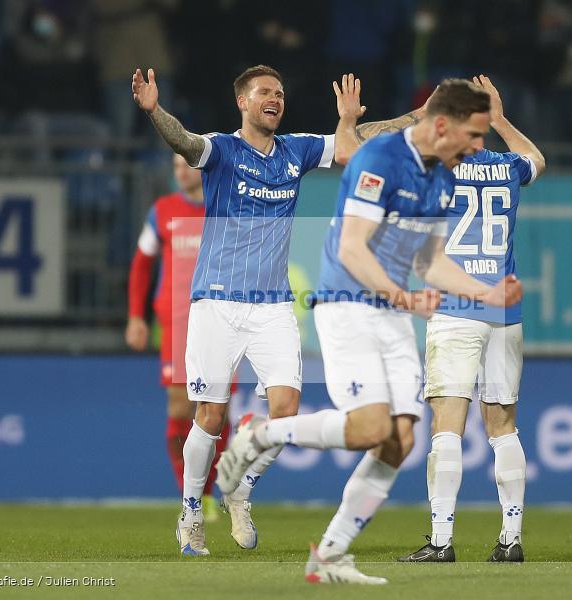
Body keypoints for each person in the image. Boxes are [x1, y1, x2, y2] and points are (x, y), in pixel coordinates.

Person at [216, 77, 523, 584]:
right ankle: (261, 433)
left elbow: (429, 261)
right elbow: (352, 249)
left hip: (390, 311)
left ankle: (330, 554)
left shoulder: (441, 179)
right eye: (472, 135)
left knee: (400, 440)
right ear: (441, 125)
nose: (476, 148)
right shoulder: (380, 158)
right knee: (370, 428)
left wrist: (484, 293)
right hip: (348, 304)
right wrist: (405, 297)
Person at [131, 64, 416, 556]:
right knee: (210, 416)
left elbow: (356, 141)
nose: (275, 99)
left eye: (280, 93)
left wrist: (415, 115)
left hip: (272, 306)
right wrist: (155, 111)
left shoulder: (295, 150)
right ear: (242, 101)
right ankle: (192, 511)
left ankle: (241, 490)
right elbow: (186, 143)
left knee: (285, 413)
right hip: (217, 300)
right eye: (265, 92)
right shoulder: (222, 149)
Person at [397, 75, 545, 563]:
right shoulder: (506, 166)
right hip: (504, 310)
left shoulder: (436, 166)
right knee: (503, 425)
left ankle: (441, 541)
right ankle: (511, 538)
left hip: (456, 305)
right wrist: (501, 120)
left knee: (447, 425)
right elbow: (537, 159)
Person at [125, 154, 231, 522]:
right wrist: (136, 316)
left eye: (187, 163)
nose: (181, 171)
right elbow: (141, 265)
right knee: (180, 410)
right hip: (177, 323)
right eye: (175, 166)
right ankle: (189, 491)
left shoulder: (225, 208)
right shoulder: (163, 211)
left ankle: (209, 491)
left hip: (220, 322)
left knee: (217, 411)